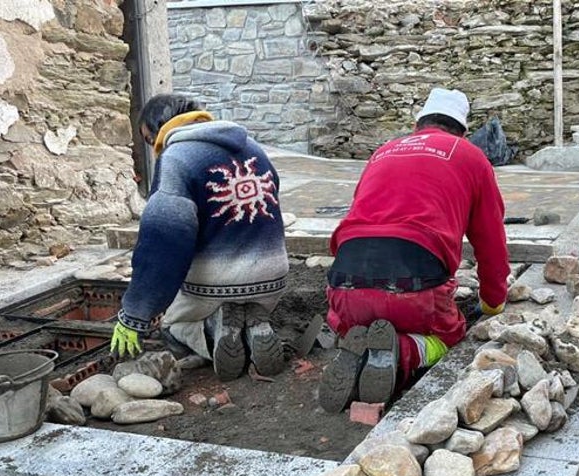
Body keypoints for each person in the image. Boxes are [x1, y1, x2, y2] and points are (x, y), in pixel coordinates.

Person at [318, 87, 510, 413]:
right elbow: (491, 240)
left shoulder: (384, 151)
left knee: (353, 318)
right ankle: (404, 351)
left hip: (345, 285)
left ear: (417, 124)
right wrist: (493, 302)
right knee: (450, 335)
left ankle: (354, 341)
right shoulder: (470, 156)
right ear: (463, 130)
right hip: (415, 287)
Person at [110, 94, 290, 380]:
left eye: (148, 140)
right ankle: (255, 323)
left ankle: (213, 330)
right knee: (245, 294)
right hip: (273, 279)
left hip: (217, 288)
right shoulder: (253, 148)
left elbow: (164, 244)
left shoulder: (176, 159)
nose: (152, 149)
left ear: (159, 130)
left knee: (170, 325)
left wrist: (136, 314)